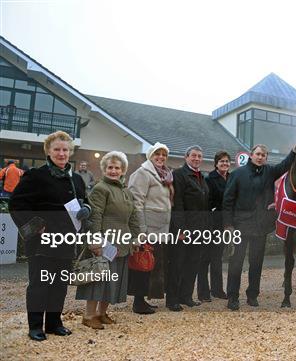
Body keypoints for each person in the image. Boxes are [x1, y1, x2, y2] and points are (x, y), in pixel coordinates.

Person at [9, 131, 87, 341]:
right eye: (57, 149)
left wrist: (86, 209)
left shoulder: (76, 179)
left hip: (66, 241)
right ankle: (35, 326)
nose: (62, 153)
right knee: (40, 284)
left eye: (65, 149)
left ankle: (54, 323)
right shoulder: (36, 175)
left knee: (59, 285)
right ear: (49, 151)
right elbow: (16, 203)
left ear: (70, 151)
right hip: (42, 242)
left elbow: (83, 201)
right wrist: (35, 225)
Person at [223, 144, 295, 311]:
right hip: (240, 226)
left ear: (266, 157)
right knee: (236, 263)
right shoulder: (237, 174)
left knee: (256, 263)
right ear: (251, 155)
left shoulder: (269, 172)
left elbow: (284, 166)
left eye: (263, 155)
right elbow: (227, 201)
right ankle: (232, 297)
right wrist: (228, 225)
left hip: (260, 227)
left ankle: (252, 295)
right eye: (258, 154)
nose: (260, 157)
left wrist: (294, 151)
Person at [76, 151, 141, 329]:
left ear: (123, 170)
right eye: (110, 167)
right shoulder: (100, 188)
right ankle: (89, 315)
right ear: (104, 169)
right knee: (98, 280)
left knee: (112, 281)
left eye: (117, 168)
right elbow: (95, 216)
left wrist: (136, 237)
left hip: (122, 242)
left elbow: (134, 216)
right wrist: (95, 240)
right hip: (105, 242)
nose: (113, 170)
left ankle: (101, 313)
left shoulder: (126, 191)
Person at [128, 142, 173, 314]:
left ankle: (144, 298)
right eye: (157, 154)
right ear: (150, 156)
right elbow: (136, 201)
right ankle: (138, 302)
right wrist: (141, 229)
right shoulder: (143, 173)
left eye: (164, 154)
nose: (161, 157)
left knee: (152, 265)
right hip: (147, 228)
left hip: (160, 228)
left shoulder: (165, 175)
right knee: (142, 263)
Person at [167, 145, 209, 310]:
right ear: (186, 157)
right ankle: (172, 299)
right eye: (194, 156)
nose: (197, 159)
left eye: (199, 156)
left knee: (193, 263)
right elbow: (178, 204)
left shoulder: (201, 177)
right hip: (183, 229)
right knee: (177, 264)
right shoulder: (179, 175)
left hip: (199, 229)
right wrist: (180, 229)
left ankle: (186, 296)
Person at [197, 151, 231, 301]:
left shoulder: (231, 177)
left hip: (224, 224)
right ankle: (203, 292)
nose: (224, 163)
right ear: (216, 163)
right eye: (221, 161)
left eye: (227, 161)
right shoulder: (210, 179)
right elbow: (207, 201)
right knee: (205, 259)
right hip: (211, 223)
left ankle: (217, 290)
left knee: (217, 258)